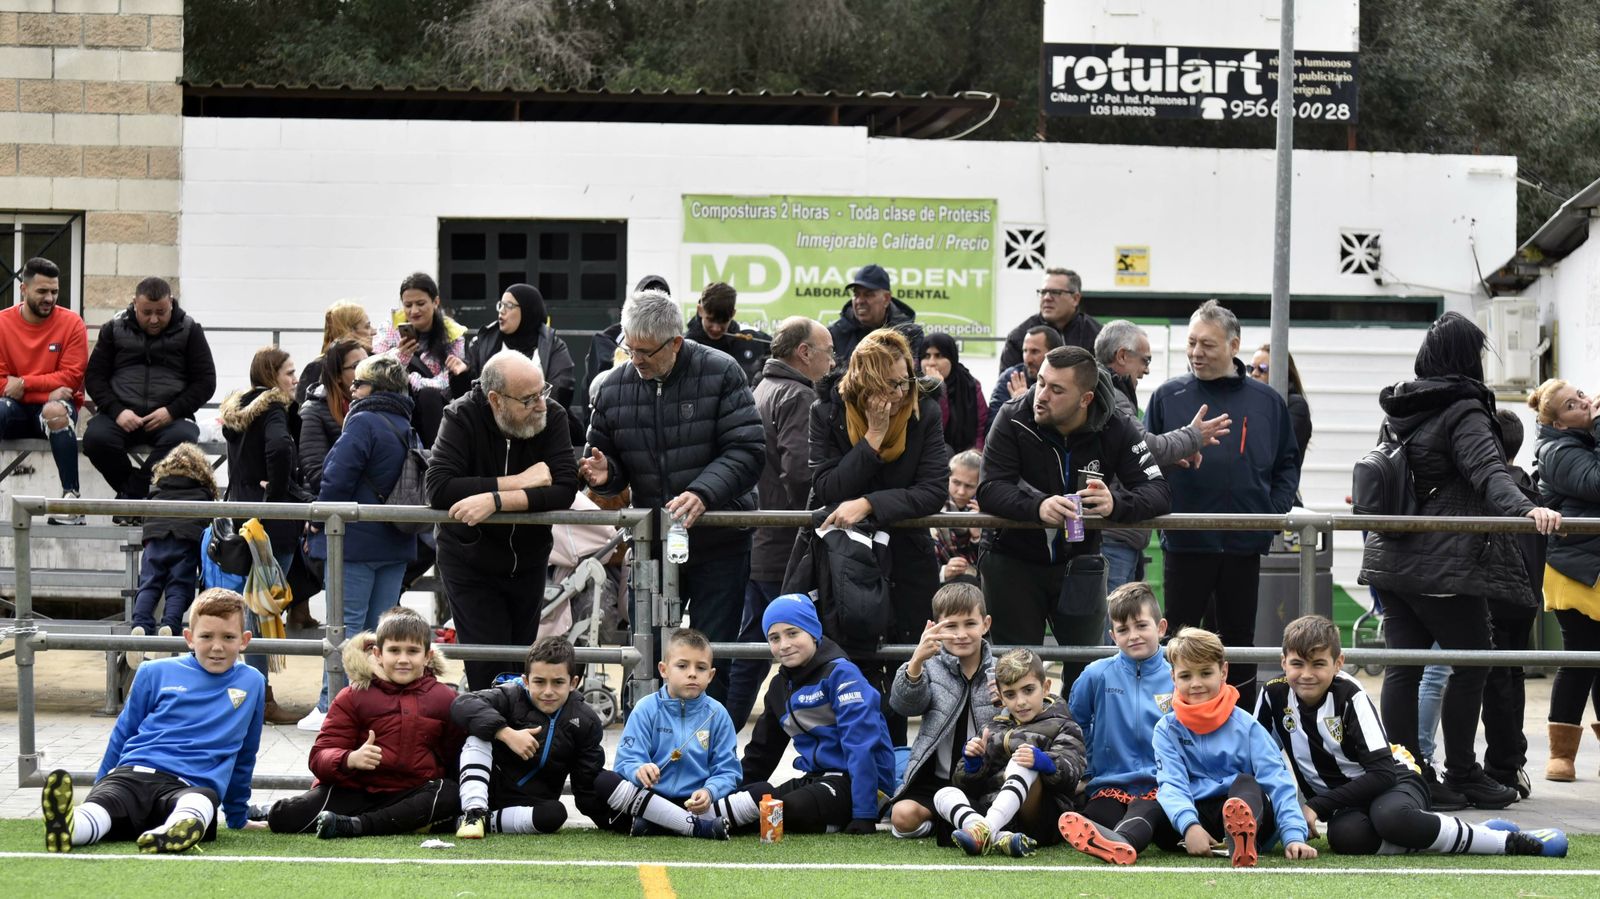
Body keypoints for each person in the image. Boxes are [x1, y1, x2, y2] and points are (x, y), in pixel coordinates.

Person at [1359, 312, 1560, 811]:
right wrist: (1526, 507)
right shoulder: (1464, 408)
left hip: (1395, 555)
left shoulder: (1402, 405)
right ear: (1468, 357)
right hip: (1442, 561)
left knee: (1404, 668)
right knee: (1473, 662)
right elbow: (1489, 471)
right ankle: (1464, 772)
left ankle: (1408, 772)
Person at [580, 288, 764, 703]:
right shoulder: (613, 388)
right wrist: (606, 475)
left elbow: (748, 450)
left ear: (676, 343)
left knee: (710, 654)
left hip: (720, 539)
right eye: (630, 348)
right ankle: (654, 751)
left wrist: (703, 493)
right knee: (651, 653)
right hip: (653, 544)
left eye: (645, 352)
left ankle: (709, 749)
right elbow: (605, 459)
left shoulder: (722, 372)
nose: (636, 360)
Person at [1256, 615, 1566, 858]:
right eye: (1297, 664)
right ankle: (1454, 835)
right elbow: (1259, 759)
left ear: (1338, 663)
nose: (1306, 674)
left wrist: (1316, 806)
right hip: (1346, 804)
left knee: (1391, 818)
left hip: (1394, 780)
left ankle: (1503, 841)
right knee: (1345, 837)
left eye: (1318, 664)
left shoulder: (1349, 694)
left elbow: (1381, 773)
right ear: (1283, 662)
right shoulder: (1273, 696)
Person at [977, 345, 1171, 688]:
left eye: (1056, 389)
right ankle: (1016, 741)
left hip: (1081, 563)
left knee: (1086, 669)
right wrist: (1037, 507)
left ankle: (1079, 740)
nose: (1041, 395)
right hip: (1012, 562)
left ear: (1085, 399)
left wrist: (1116, 505)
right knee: (1016, 671)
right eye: (1040, 383)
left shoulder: (1117, 425)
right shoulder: (1013, 416)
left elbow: (1158, 491)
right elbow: (989, 487)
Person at [1145, 300, 1300, 708]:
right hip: (1185, 541)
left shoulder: (1266, 402)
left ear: (1234, 345)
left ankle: (1240, 726)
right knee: (1176, 640)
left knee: (1237, 644)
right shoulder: (1167, 396)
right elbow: (1141, 461)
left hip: (1243, 546)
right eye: (1191, 343)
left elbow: (1287, 462)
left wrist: (1271, 513)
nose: (1196, 352)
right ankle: (1170, 723)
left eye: (1207, 345)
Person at [41, 589, 264, 854]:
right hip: (132, 774)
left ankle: (172, 832)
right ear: (189, 639)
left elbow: (245, 755)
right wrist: (100, 785)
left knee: (201, 803)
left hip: (189, 786)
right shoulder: (153, 672)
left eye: (228, 637)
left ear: (244, 640)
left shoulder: (253, 682)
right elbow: (123, 733)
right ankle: (69, 826)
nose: (217, 647)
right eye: (206, 636)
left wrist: (237, 817)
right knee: (103, 807)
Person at [808, 327, 947, 738]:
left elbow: (932, 491)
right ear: (865, 381)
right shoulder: (828, 411)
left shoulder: (925, 410)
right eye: (890, 383)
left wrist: (870, 503)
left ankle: (900, 769)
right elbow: (827, 487)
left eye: (906, 379)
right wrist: (871, 438)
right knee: (855, 669)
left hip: (907, 559)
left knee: (906, 668)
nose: (902, 391)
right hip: (849, 563)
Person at [427, 349, 577, 691]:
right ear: (495, 399)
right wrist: (520, 481)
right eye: (528, 399)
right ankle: (487, 741)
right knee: (490, 671)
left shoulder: (551, 416)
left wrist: (495, 500)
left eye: (543, 392)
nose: (540, 404)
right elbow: (439, 487)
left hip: (528, 560)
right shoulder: (462, 415)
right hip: (470, 560)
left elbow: (565, 488)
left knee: (523, 666)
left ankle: (517, 742)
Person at [263, 608, 464, 838]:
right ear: (378, 653)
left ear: (427, 656)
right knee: (284, 816)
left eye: (412, 651)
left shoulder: (444, 698)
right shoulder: (354, 695)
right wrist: (350, 759)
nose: (403, 659)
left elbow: (454, 757)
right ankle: (269, 811)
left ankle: (357, 825)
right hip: (355, 791)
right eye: (394, 650)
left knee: (450, 794)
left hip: (412, 795)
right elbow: (319, 756)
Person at [298, 354, 420, 731]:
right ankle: (371, 707)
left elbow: (336, 477)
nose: (352, 390)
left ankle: (330, 705)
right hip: (395, 542)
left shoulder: (363, 421)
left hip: (353, 544)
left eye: (358, 384)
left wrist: (317, 520)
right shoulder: (407, 424)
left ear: (375, 388)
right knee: (379, 631)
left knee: (344, 630)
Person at [730, 315, 834, 730]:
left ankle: (719, 741)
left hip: (762, 542)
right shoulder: (798, 396)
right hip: (784, 548)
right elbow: (802, 474)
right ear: (804, 353)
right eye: (828, 353)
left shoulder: (764, 388)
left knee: (750, 652)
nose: (833, 362)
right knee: (780, 652)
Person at [1152, 627, 1316, 868]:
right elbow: (1173, 783)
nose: (1196, 683)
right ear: (1173, 677)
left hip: (1253, 817)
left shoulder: (1247, 726)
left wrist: (1293, 836)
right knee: (1150, 802)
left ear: (1223, 672)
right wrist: (1189, 825)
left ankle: (1240, 838)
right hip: (1198, 823)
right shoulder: (1166, 728)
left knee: (1246, 782)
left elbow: (1278, 781)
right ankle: (1123, 841)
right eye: (1186, 676)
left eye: (1206, 673)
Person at [740, 595, 897, 835]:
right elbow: (762, 752)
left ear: (813, 632)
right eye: (774, 638)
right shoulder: (778, 688)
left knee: (790, 808)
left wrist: (865, 813)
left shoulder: (843, 674)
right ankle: (695, 820)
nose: (784, 645)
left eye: (793, 633)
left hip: (862, 784)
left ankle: (834, 821)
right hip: (816, 779)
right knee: (753, 799)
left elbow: (860, 746)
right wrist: (734, 791)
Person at [1095, 320, 1227, 592]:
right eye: (1145, 360)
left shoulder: (1109, 391)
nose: (1147, 370)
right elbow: (1144, 446)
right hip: (1113, 536)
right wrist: (1193, 436)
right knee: (1112, 628)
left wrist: (1168, 462)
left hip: (1118, 534)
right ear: (1122, 356)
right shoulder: (1110, 395)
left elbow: (1127, 459)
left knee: (1119, 623)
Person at [1058, 582, 1178, 866]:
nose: (1133, 636)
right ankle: (1110, 837)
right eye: (1123, 630)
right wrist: (1088, 766)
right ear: (1112, 636)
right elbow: (1074, 725)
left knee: (1149, 812)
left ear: (1161, 628)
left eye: (1141, 626)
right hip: (1110, 783)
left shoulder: (1178, 674)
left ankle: (1120, 841)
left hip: (1162, 784)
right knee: (1098, 818)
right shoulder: (1096, 674)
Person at [453, 635, 608, 838]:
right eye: (539, 682)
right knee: (479, 732)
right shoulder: (510, 696)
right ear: (526, 681)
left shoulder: (586, 720)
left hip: (529, 802)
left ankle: (470, 822)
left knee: (556, 814)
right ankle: (473, 812)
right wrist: (506, 733)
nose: (548, 691)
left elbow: (586, 784)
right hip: (487, 787)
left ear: (573, 683)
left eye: (558, 682)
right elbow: (462, 703)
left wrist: (613, 820)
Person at [82, 277, 216, 512]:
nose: (154, 319)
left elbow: (206, 382)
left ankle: (131, 495)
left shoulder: (190, 330)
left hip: (170, 419)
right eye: (147, 312)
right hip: (120, 417)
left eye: (161, 312)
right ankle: (139, 494)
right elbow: (94, 378)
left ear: (171, 304)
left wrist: (172, 411)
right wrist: (118, 411)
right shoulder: (113, 329)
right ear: (134, 304)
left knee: (183, 441)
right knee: (95, 439)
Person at [937, 648, 1086, 858]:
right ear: (1000, 697)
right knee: (943, 794)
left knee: (1023, 760)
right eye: (1010, 694)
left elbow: (1073, 775)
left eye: (1028, 690)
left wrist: (1045, 762)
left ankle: (985, 829)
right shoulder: (993, 727)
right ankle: (999, 838)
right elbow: (962, 783)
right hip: (996, 809)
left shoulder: (1064, 725)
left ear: (1045, 687)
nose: (1020, 701)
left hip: (1040, 818)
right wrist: (973, 764)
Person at [591, 628, 740, 840]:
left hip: (696, 804)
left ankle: (656, 826)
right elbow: (626, 761)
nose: (692, 673)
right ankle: (694, 827)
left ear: (711, 675)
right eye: (682, 665)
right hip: (651, 801)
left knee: (760, 791)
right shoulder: (645, 708)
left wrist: (709, 792)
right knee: (603, 781)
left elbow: (728, 771)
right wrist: (639, 770)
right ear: (663, 670)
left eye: (701, 667)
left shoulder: (718, 714)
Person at [1528, 378, 1600, 782]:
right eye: (1573, 405)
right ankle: (1561, 755)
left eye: (1582, 396)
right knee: (1578, 660)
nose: (1585, 404)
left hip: (1594, 566)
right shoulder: (1557, 450)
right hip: (1575, 571)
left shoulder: (1582, 440)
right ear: (1558, 423)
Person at [887, 583, 996, 841]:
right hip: (936, 780)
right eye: (950, 626)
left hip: (983, 780)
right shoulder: (928, 666)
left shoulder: (1001, 671)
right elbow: (903, 706)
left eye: (970, 624)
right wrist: (915, 662)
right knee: (901, 816)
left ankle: (958, 822)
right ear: (935, 627)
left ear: (986, 624)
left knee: (1014, 813)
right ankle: (947, 823)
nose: (961, 634)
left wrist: (1006, 705)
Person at [0, 257, 87, 525]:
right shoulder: (2, 323)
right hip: (13, 412)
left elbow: (71, 378)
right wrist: (45, 389)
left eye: (54, 291)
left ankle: (72, 502)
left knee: (55, 410)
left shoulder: (72, 323)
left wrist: (23, 383)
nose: (49, 298)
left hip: (52, 413)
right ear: (23, 290)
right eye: (42, 291)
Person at [127, 443, 218, 669]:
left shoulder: (157, 489)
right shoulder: (203, 492)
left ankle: (140, 625)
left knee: (149, 584)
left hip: (155, 541)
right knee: (178, 587)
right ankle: (169, 626)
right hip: (185, 541)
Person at [465, 283, 579, 442]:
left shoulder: (553, 345)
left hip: (540, 425)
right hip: (493, 426)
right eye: (501, 305)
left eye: (509, 306)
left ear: (528, 310)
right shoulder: (482, 343)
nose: (501, 311)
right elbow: (471, 394)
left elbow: (561, 389)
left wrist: (527, 410)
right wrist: (460, 376)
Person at [371, 272, 469, 447]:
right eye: (408, 305)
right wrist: (401, 356)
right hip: (397, 397)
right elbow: (376, 372)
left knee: (429, 396)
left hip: (436, 404)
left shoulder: (452, 332)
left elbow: (450, 380)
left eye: (420, 303)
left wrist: (414, 380)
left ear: (435, 302)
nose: (413, 311)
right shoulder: (389, 327)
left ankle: (437, 455)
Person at [298, 338, 368, 495]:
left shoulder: (373, 407)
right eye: (357, 366)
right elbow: (317, 475)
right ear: (337, 376)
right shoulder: (313, 411)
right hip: (330, 509)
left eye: (368, 363)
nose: (367, 372)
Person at [999, 268, 1100, 371]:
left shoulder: (1096, 336)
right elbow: (1005, 383)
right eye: (1043, 292)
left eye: (1055, 292)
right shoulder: (1019, 337)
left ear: (1075, 299)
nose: (1047, 298)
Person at [828, 263, 920, 364]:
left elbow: (913, 375)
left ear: (886, 298)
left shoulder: (910, 334)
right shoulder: (836, 334)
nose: (860, 301)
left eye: (868, 295)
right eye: (856, 294)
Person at [686, 281, 771, 383]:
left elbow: (782, 351)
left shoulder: (752, 337)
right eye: (710, 320)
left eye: (723, 322)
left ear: (733, 314)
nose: (716, 328)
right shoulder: (686, 347)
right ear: (700, 310)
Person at [296, 300, 376, 404]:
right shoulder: (317, 368)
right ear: (348, 331)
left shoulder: (376, 361)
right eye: (367, 326)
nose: (374, 332)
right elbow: (304, 412)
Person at [920, 332, 987, 454]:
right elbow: (937, 429)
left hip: (965, 455)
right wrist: (939, 390)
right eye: (926, 356)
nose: (931, 362)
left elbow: (980, 429)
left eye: (938, 356)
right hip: (927, 452)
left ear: (952, 358)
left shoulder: (969, 385)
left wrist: (976, 453)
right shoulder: (913, 385)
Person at [1248, 343, 1312, 461]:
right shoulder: (1249, 402)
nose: (1254, 373)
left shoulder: (1296, 406)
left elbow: (1277, 447)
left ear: (1281, 372)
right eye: (1251, 368)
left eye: (1262, 369)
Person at [989, 324, 1061, 423]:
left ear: (1053, 353)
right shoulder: (1010, 378)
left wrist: (1026, 403)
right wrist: (1017, 405)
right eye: (1025, 351)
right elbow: (994, 427)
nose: (1027, 359)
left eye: (1034, 351)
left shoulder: (1066, 379)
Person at [934, 450, 984, 585]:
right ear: (947, 478)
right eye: (956, 483)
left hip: (976, 583)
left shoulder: (986, 512)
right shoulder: (932, 506)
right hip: (936, 584)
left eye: (969, 486)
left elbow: (988, 565)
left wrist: (978, 537)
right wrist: (944, 572)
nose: (961, 492)